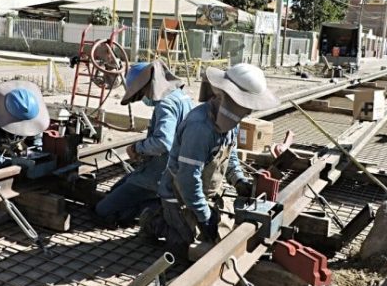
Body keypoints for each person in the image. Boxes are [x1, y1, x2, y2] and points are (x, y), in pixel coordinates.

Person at [141, 63, 280, 258]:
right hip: (178, 194)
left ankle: (187, 218)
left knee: (219, 234)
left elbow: (229, 154)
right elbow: (188, 179)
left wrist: (238, 181)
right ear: (228, 98)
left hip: (204, 192)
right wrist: (204, 217)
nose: (248, 112)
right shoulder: (200, 128)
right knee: (183, 249)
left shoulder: (229, 122)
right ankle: (154, 221)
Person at [95, 60, 193, 226]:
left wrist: (137, 148)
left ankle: (158, 208)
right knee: (116, 188)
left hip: (159, 174)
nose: (144, 99)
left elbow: (163, 142)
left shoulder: (166, 104)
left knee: (102, 211)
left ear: (149, 85)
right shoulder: (180, 96)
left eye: (142, 93)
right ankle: (157, 203)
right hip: (170, 168)